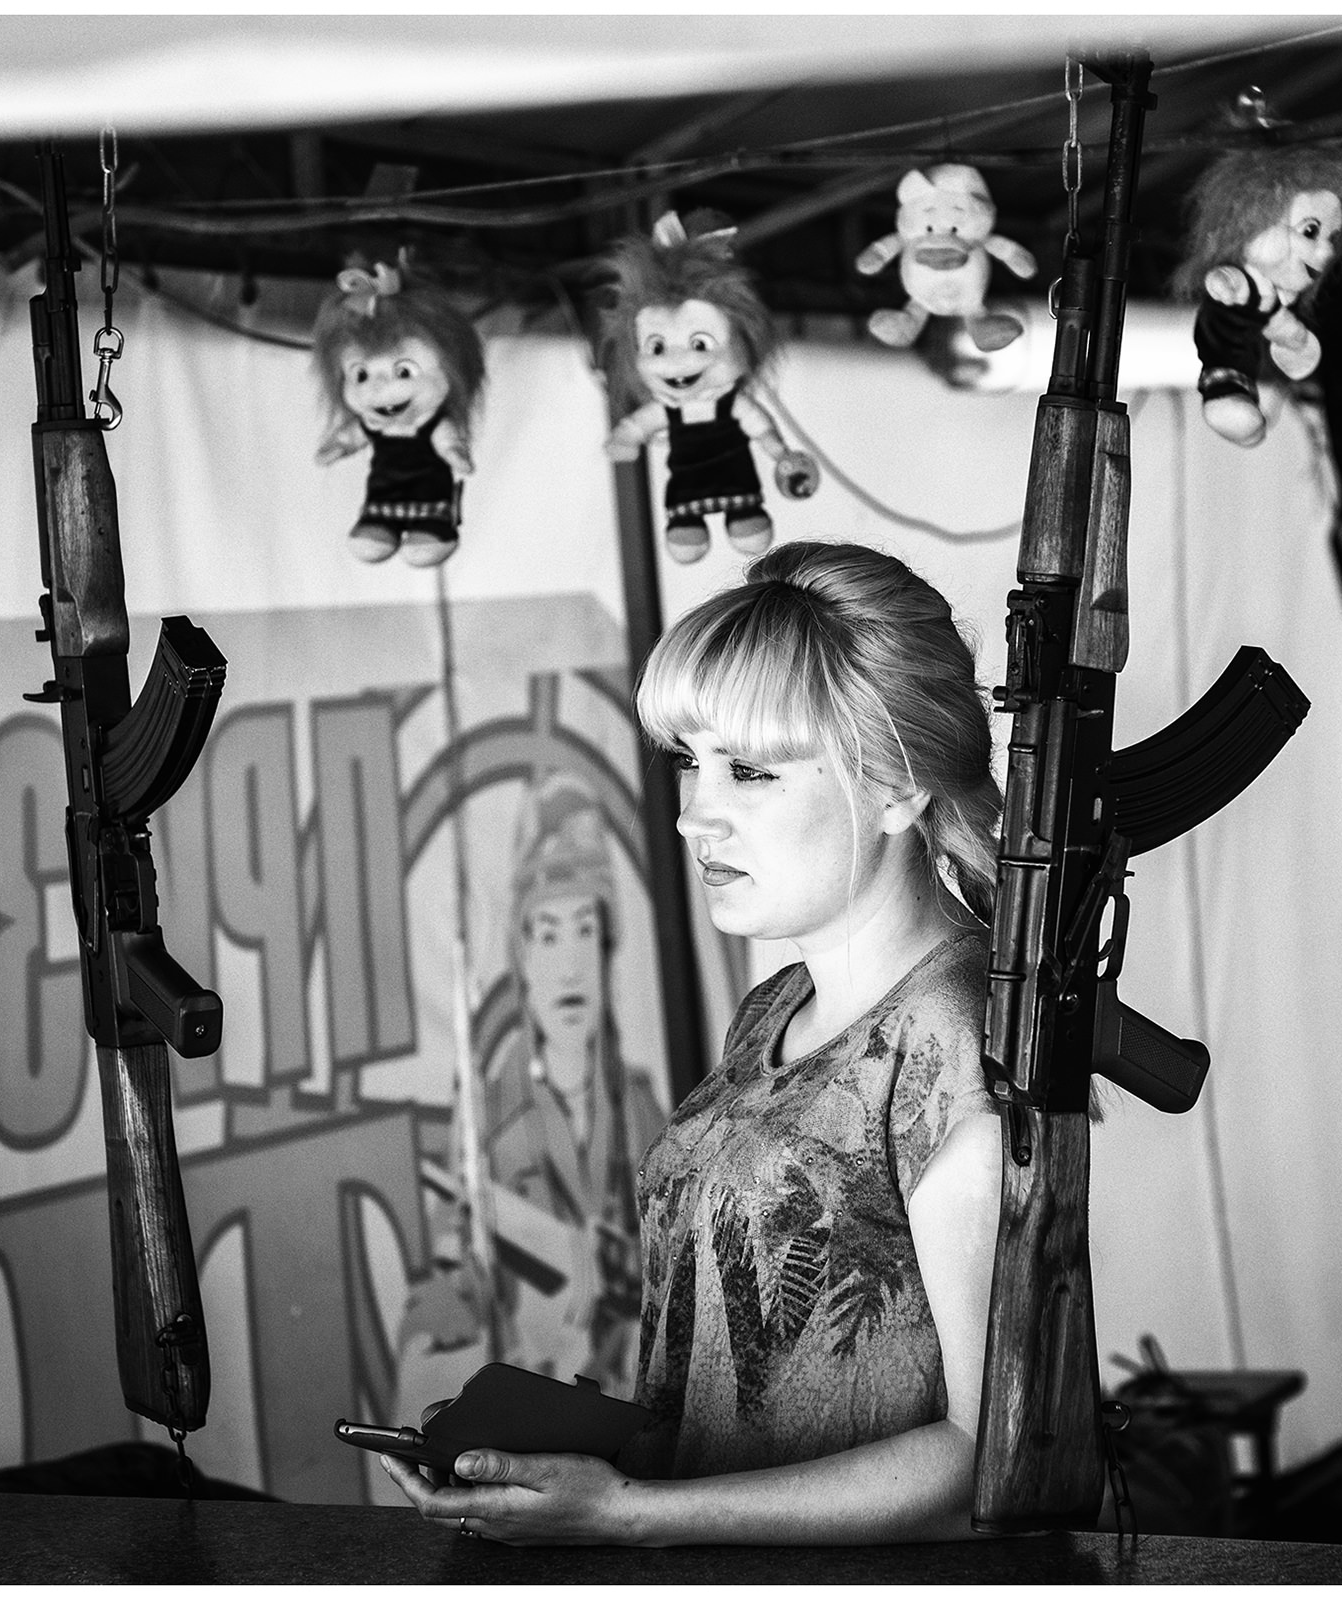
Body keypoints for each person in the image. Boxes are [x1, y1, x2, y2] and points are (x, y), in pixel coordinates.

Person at [380, 540, 1008, 1544]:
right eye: (690, 763)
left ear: (897, 789)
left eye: (750, 771)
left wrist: (631, 1515)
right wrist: (577, 1468)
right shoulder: (774, 1009)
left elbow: (985, 1456)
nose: (693, 816)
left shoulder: (957, 1042)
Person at [394, 778, 665, 1415]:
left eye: (583, 930)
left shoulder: (648, 1113)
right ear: (523, 958)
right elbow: (430, 1321)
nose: (569, 966)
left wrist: (616, 1273)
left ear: (606, 953)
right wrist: (487, 1363)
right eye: (546, 934)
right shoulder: (485, 1122)